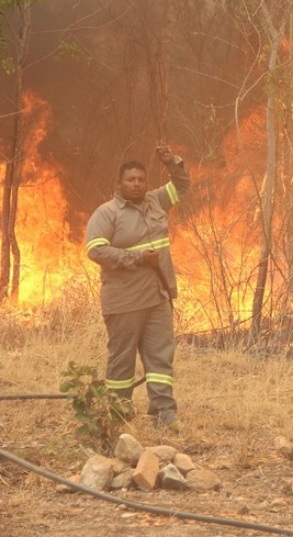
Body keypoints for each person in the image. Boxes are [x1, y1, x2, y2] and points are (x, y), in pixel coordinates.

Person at [86, 144, 190, 433]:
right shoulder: (106, 214)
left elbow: (182, 185)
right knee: (122, 361)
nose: (137, 184)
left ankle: (164, 413)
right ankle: (118, 414)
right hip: (124, 301)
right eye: (130, 180)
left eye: (141, 179)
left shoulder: (156, 201)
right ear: (119, 184)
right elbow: (95, 250)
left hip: (157, 297)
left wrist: (173, 162)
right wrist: (135, 258)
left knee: (160, 357)